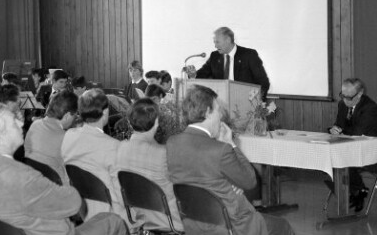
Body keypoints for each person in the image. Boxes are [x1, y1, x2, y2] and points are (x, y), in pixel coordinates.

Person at [0, 103, 128, 235]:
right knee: (114, 221)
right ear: (0, 136)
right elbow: (72, 203)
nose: (21, 123)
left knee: (104, 218)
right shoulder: (21, 177)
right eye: (14, 121)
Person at [167, 85, 294, 235]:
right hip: (230, 225)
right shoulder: (220, 150)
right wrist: (231, 143)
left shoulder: (171, 143)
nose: (220, 116)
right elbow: (250, 181)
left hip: (193, 223)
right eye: (217, 110)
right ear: (208, 112)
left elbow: (198, 177)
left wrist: (228, 183)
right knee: (283, 226)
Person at [61, 89, 130, 226]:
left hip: (84, 210)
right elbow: (123, 195)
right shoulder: (114, 146)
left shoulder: (69, 135)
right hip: (114, 216)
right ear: (105, 113)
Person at [114, 99, 183, 232]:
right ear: (157, 122)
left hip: (137, 216)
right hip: (170, 220)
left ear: (129, 122)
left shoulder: (121, 148)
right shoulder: (163, 154)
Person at [329, 78, 377, 212]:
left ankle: (354, 191)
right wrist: (334, 129)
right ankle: (356, 190)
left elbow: (358, 132)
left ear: (359, 94)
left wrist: (340, 131)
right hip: (349, 146)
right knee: (330, 158)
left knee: (342, 160)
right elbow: (339, 125)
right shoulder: (342, 104)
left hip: (370, 149)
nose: (345, 100)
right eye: (343, 95)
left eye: (349, 97)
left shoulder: (370, 107)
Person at [186, 27, 270, 98]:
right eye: (214, 42)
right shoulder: (215, 56)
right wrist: (193, 75)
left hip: (245, 103)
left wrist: (256, 102)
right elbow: (202, 75)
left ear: (228, 40)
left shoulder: (248, 55)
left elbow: (263, 83)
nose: (215, 46)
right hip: (220, 105)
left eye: (217, 42)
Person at [24, 91, 78, 185]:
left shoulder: (35, 125)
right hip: (60, 190)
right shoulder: (66, 139)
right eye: (75, 115)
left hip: (33, 184)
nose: (75, 118)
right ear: (67, 115)